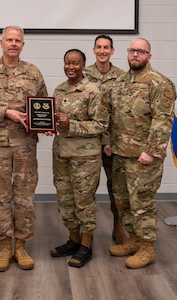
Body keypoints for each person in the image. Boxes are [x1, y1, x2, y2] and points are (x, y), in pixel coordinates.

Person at [0, 25, 48, 272]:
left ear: (23, 45)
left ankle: (22, 246)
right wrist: (6, 112)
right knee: (0, 196)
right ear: (1, 43)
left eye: (18, 40)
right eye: (9, 40)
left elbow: (43, 104)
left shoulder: (33, 72)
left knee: (24, 196)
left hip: (25, 144)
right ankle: (5, 246)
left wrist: (46, 123)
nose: (13, 43)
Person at [108, 38, 176, 269]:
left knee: (142, 204)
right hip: (120, 153)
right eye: (132, 50)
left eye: (140, 51)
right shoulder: (120, 82)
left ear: (149, 55)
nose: (135, 54)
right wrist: (109, 142)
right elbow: (112, 117)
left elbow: (163, 120)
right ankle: (134, 239)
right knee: (123, 201)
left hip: (143, 158)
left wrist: (152, 151)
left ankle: (147, 248)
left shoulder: (159, 83)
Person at [49, 49, 108, 268]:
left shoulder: (92, 91)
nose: (71, 67)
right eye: (67, 63)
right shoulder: (59, 89)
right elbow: (54, 120)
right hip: (62, 154)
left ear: (84, 65)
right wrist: (49, 126)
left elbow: (101, 124)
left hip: (85, 157)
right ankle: (73, 240)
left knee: (84, 203)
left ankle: (86, 245)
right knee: (66, 201)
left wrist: (70, 124)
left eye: (75, 63)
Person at [83, 35, 127, 244]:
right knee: (87, 187)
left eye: (106, 47)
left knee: (117, 188)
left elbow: (121, 112)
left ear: (112, 51)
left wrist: (109, 139)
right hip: (88, 140)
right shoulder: (83, 75)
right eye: (98, 47)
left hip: (114, 142)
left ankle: (119, 226)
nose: (102, 51)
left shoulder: (122, 76)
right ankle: (86, 233)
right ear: (93, 50)